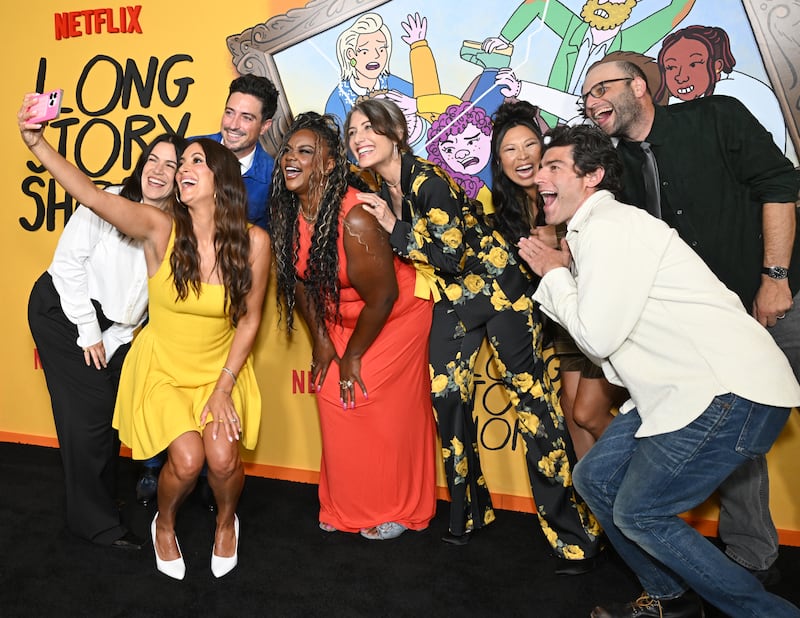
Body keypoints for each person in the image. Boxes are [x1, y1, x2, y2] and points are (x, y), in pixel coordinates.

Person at [519, 123, 800, 618]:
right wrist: (565, 270)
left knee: (640, 511)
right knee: (596, 479)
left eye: (553, 166)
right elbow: (619, 342)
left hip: (727, 390)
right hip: (678, 393)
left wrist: (555, 274)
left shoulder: (611, 227)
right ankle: (671, 599)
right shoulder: (592, 232)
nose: (539, 176)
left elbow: (598, 337)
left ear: (593, 177)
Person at [19, 94, 271, 580]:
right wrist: (38, 144)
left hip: (216, 370)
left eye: (194, 161)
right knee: (186, 457)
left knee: (222, 459)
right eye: (181, 164)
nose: (180, 171)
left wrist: (223, 387)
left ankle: (225, 522)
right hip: (140, 354)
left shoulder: (253, 243)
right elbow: (93, 197)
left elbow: (251, 320)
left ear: (221, 177)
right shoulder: (160, 226)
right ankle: (163, 522)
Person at [345, 98, 601, 573]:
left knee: (534, 410)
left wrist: (392, 226)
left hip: (502, 290)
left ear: (396, 133)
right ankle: (470, 511)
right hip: (456, 300)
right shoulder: (381, 186)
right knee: (445, 397)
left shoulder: (428, 180)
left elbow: (452, 256)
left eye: (369, 127)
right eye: (353, 130)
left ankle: (574, 536)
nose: (359, 136)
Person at [582, 55, 800, 584]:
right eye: (585, 98)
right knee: (733, 434)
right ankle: (751, 554)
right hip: (712, 327)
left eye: (602, 89)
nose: (592, 103)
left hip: (776, 297)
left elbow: (779, 185)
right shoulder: (614, 172)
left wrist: (774, 277)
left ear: (638, 86)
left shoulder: (717, 116)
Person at [270, 111, 437, 540]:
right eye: (288, 151)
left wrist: (354, 356)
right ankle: (346, 506)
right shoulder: (290, 214)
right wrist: (324, 343)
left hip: (396, 314)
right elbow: (304, 285)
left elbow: (382, 297)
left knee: (367, 392)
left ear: (328, 164)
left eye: (305, 152)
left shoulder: (355, 219)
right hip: (340, 316)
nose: (291, 158)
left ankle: (400, 506)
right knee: (331, 394)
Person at [26, 132, 186, 549]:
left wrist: (114, 337)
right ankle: (94, 524)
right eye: (154, 159)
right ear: (142, 162)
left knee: (110, 417)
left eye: (171, 165)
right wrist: (89, 331)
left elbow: (143, 300)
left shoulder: (177, 228)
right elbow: (67, 266)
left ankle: (99, 496)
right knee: (90, 419)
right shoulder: (112, 199)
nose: (158, 170)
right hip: (64, 312)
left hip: (112, 329)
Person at [136, 72, 279, 506]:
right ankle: (153, 466)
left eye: (247, 118)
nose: (233, 124)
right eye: (229, 112)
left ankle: (206, 476)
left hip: (223, 301)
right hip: (173, 283)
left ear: (265, 126)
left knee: (213, 438)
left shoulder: (273, 176)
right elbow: (152, 193)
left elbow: (266, 236)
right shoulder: (191, 151)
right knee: (162, 375)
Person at [489, 100, 626, 458]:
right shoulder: (507, 211)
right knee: (572, 411)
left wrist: (564, 242)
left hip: (602, 312)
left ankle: (648, 486)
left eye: (530, 145)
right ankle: (598, 508)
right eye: (510, 149)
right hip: (565, 321)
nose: (522, 156)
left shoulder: (578, 194)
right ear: (500, 161)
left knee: (587, 412)